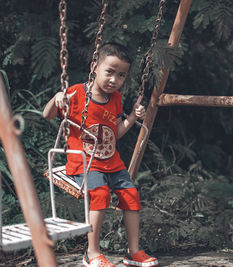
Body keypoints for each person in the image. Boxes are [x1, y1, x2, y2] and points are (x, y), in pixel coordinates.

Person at [43, 43, 158, 267]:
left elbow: (115, 134)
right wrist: (57, 97)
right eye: (109, 72)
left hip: (111, 161)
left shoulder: (115, 99)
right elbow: (47, 115)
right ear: (94, 67)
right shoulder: (75, 93)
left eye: (121, 75)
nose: (114, 80)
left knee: (131, 195)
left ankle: (133, 252)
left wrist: (133, 116)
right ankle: (92, 252)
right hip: (84, 162)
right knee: (100, 193)